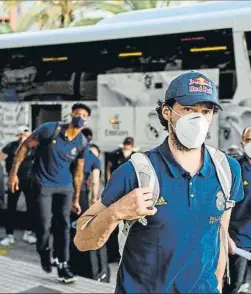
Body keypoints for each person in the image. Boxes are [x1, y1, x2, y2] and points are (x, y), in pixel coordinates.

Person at [74, 72, 244, 293]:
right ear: (167, 112)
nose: (198, 119)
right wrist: (115, 212)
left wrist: (218, 285)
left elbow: (220, 233)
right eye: (188, 109)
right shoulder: (136, 172)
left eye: (206, 111)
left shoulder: (227, 170)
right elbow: (82, 240)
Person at [8, 103, 91, 284]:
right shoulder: (50, 130)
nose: (80, 117)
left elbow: (78, 172)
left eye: (84, 115)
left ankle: (63, 265)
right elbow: (24, 147)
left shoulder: (82, 142)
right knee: (44, 225)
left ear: (87, 120)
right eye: (78, 113)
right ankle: (44, 251)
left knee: (64, 226)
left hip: (65, 187)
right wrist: (13, 174)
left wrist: (76, 199)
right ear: (72, 114)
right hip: (43, 184)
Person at [0, 126, 36, 246]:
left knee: (31, 207)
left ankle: (28, 233)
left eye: (25, 134)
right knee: (11, 207)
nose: (22, 136)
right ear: (17, 135)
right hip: (13, 181)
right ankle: (9, 235)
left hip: (28, 180)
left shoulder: (33, 146)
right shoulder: (11, 146)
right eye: (20, 134)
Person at [225, 126, 251, 294]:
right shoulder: (235, 169)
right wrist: (226, 238)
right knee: (235, 285)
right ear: (243, 143)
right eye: (249, 140)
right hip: (239, 241)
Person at [80, 128, 101, 210]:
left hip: (64, 189)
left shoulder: (71, 151)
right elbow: (95, 181)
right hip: (81, 192)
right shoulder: (93, 158)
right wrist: (94, 198)